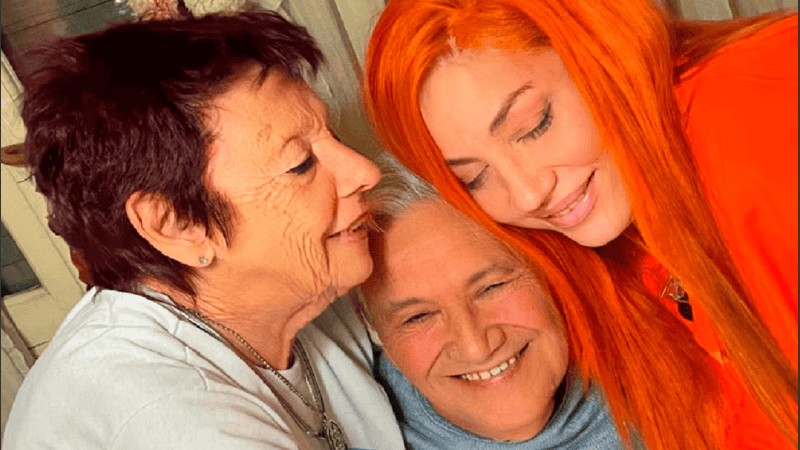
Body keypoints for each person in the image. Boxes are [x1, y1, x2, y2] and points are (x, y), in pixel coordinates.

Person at [363, 1, 797, 449]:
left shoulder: (758, 113)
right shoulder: (616, 252)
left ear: (602, 50)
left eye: (535, 125)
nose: (528, 193)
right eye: (473, 177)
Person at [3, 11, 405, 450]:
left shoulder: (299, 291)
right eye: (301, 164)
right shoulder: (176, 420)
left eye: (331, 137)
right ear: (176, 225)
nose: (363, 172)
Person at [358, 156, 632, 449]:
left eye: (491, 287)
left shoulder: (658, 355)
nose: (475, 346)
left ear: (549, 274)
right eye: (417, 317)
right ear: (377, 335)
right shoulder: (351, 431)